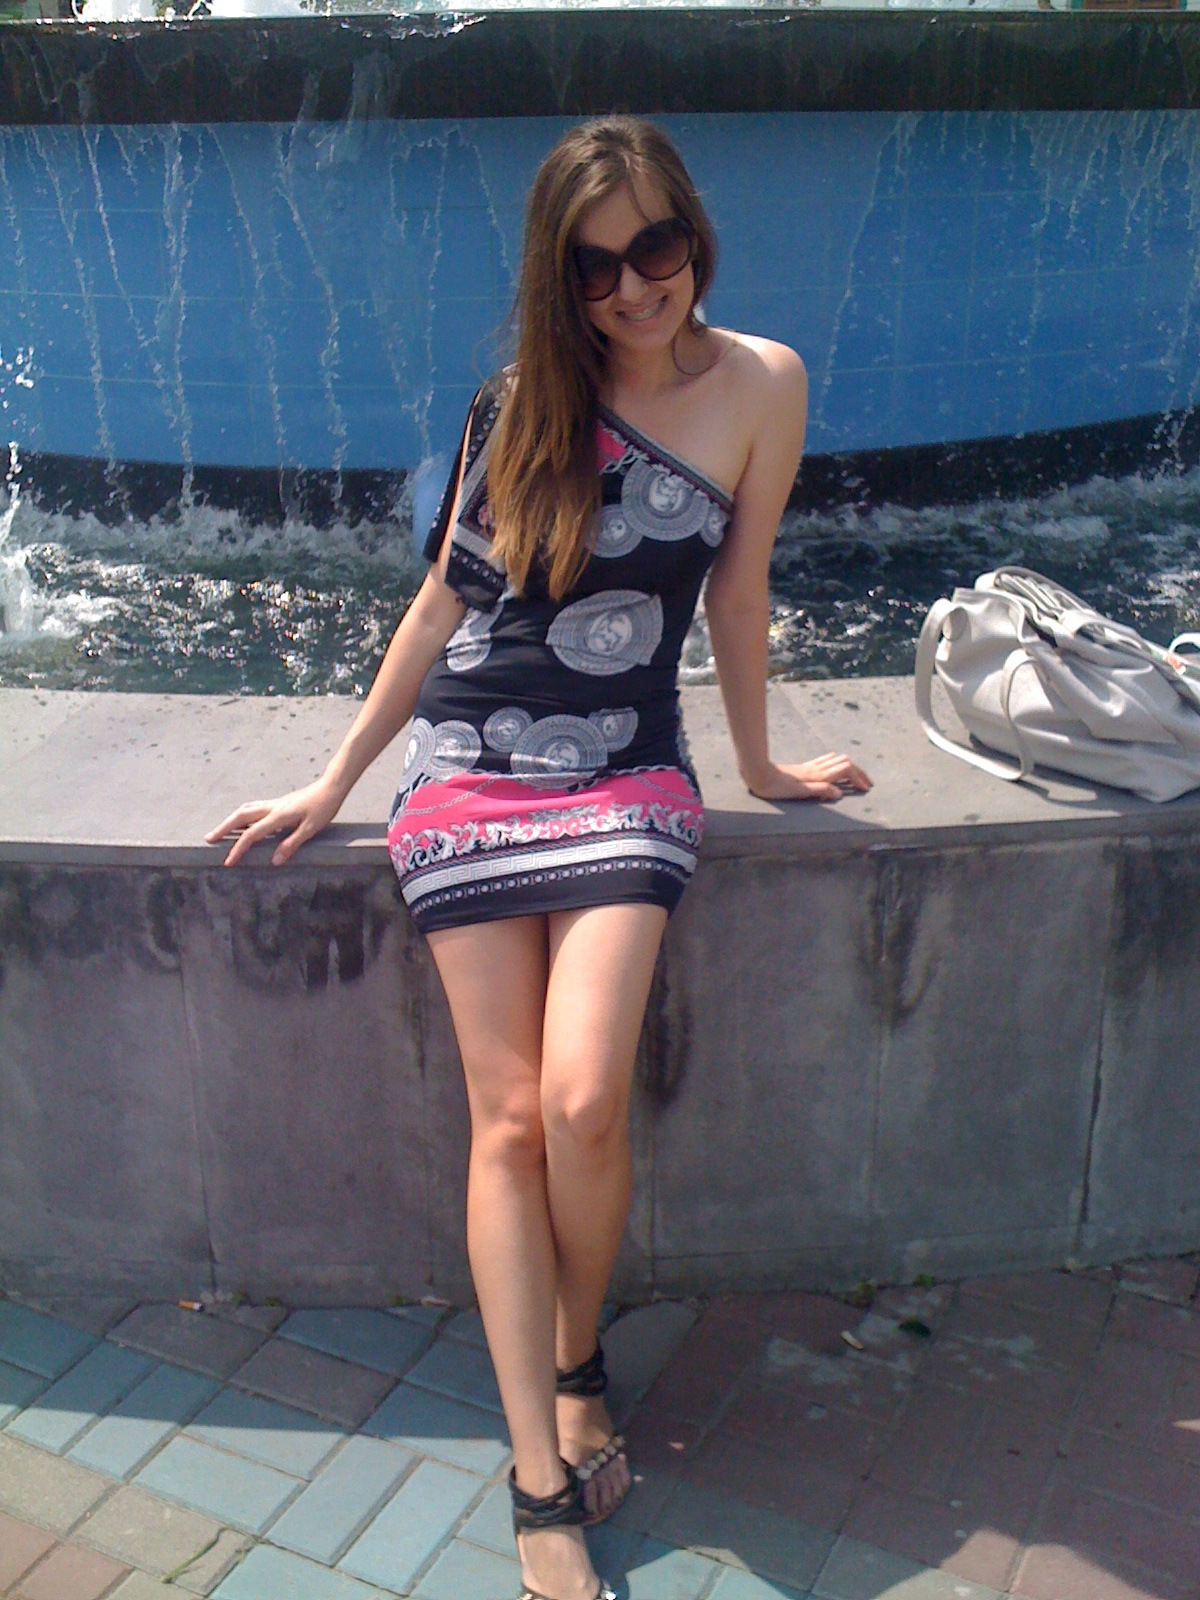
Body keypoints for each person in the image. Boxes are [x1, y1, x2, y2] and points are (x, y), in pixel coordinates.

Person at [206, 115, 872, 1600]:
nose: (635, 286)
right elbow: (446, 605)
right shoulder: (520, 402)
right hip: (472, 766)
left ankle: (579, 1356)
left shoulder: (763, 383)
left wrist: (762, 765)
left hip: (629, 769)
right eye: (595, 268)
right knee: (509, 1122)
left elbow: (739, 591)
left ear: (693, 231)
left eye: (655, 247)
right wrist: (336, 779)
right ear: (557, 280)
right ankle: (539, 1473)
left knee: (581, 1099)